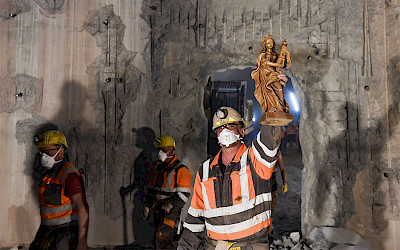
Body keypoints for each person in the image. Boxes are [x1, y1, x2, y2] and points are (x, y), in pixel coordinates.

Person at [178, 86, 286, 249]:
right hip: (217, 246)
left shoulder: (255, 159)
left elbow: (270, 136)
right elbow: (195, 218)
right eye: (220, 128)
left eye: (231, 126)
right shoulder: (206, 170)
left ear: (242, 131)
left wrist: (274, 97)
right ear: (216, 135)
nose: (225, 131)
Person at [30, 130, 89, 250]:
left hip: (65, 234)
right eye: (42, 152)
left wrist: (82, 242)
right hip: (47, 231)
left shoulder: (70, 175)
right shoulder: (48, 175)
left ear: (61, 150)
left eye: (48, 152)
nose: (44, 156)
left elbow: (82, 208)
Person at [143, 136, 192, 249]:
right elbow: (152, 190)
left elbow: (184, 195)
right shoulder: (157, 167)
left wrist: (170, 204)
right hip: (158, 209)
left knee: (161, 238)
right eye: (159, 150)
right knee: (162, 241)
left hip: (171, 211)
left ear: (171, 150)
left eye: (163, 150)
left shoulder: (181, 169)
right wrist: (147, 205)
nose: (160, 153)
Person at [251, 34, 292, 116]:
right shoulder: (263, 55)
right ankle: (272, 109)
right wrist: (277, 65)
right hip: (266, 75)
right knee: (269, 90)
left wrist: (286, 53)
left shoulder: (275, 55)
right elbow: (265, 63)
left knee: (279, 89)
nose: (270, 44)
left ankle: (279, 108)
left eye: (272, 42)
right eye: (268, 43)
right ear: (265, 45)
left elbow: (283, 64)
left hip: (274, 74)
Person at [269, 152, 287, 235]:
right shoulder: (259, 149)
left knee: (273, 200)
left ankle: (269, 225)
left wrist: (285, 183)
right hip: (262, 180)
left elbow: (282, 169)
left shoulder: (277, 153)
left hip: (272, 179)